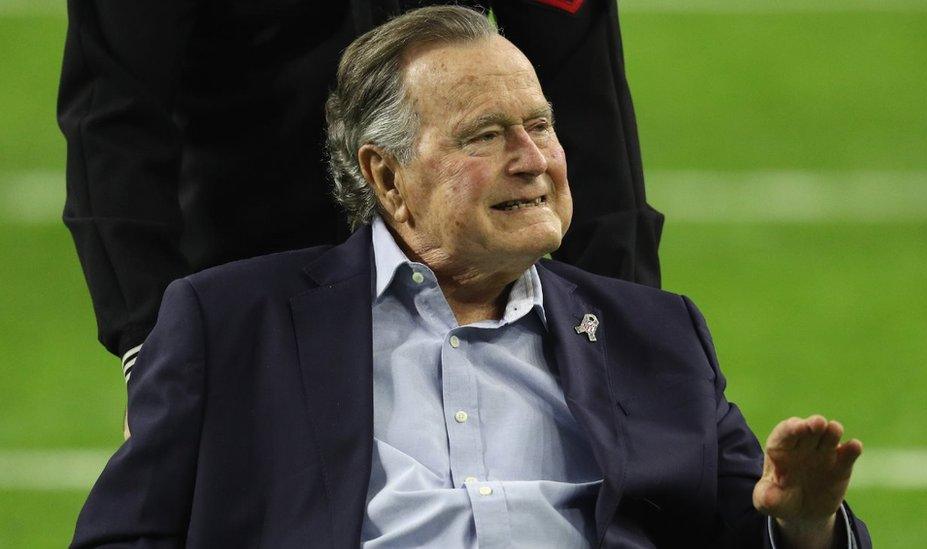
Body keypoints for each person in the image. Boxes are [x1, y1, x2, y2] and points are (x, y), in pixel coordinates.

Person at [71, 7, 869, 548]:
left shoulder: (650, 336)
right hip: (258, 245)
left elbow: (763, 523)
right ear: (385, 180)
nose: (532, 158)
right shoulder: (230, 336)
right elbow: (116, 98)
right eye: (487, 135)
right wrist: (151, 342)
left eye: (541, 127)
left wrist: (803, 527)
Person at [58, 0, 664, 386]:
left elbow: (586, 100)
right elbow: (117, 109)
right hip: (253, 272)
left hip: (461, 274)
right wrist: (153, 346)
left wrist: (621, 325)